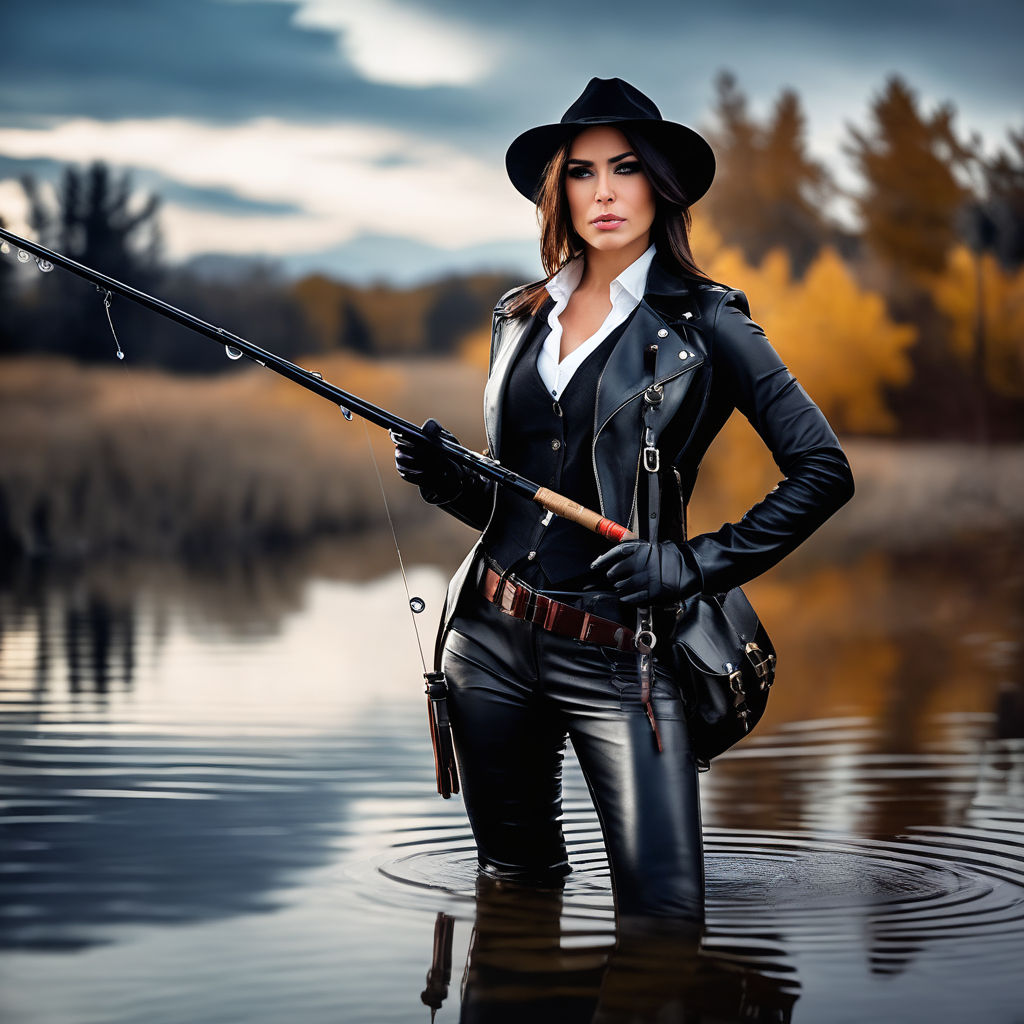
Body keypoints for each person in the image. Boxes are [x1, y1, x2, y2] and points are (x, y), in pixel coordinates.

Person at [393, 77, 854, 926]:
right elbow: (526, 499)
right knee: (514, 901)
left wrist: (688, 563)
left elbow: (824, 472)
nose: (603, 193)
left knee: (666, 925)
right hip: (489, 645)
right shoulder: (518, 315)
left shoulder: (712, 323)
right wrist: (449, 477)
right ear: (556, 190)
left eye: (626, 168)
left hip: (626, 660)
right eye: (581, 172)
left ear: (661, 186)